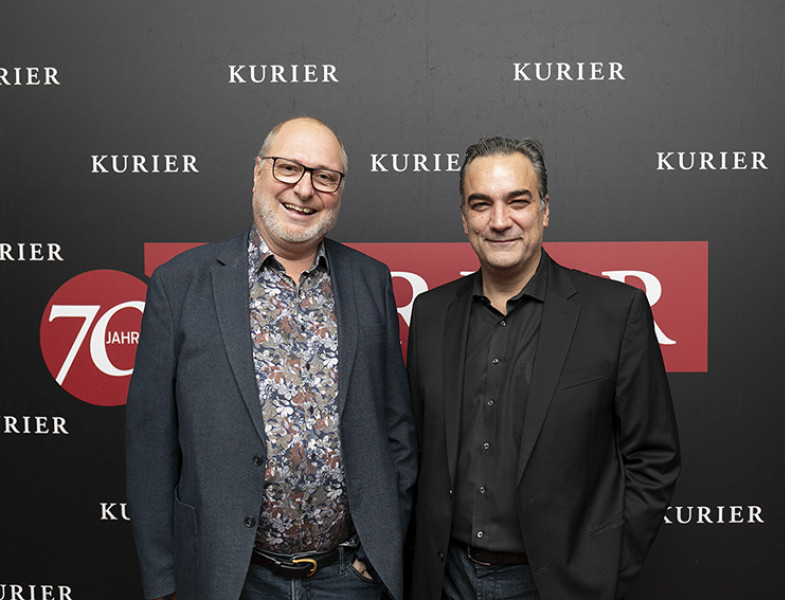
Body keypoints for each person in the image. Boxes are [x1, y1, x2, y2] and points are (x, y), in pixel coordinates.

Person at [125, 116, 417, 600]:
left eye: (325, 176)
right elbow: (150, 447)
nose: (304, 189)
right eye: (288, 168)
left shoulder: (370, 281)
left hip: (348, 578)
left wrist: (378, 552)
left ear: (339, 190)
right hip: (231, 577)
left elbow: (397, 430)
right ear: (258, 172)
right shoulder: (180, 285)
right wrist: (163, 582)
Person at [407, 136, 680, 599]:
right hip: (446, 579)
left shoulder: (615, 313)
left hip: (557, 584)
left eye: (518, 201)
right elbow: (414, 451)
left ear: (545, 210)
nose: (499, 221)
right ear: (464, 218)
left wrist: (605, 568)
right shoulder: (431, 314)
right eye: (481, 204)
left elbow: (653, 458)